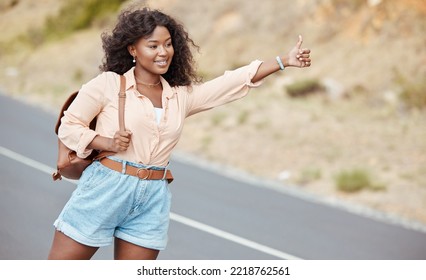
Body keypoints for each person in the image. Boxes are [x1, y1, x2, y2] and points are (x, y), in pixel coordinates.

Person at [47, 7, 311, 260]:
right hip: (105, 188)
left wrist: (283, 61)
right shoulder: (108, 84)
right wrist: (106, 141)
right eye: (153, 46)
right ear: (132, 50)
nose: (163, 52)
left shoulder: (179, 96)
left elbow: (229, 83)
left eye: (168, 44)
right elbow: (69, 125)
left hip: (153, 195)